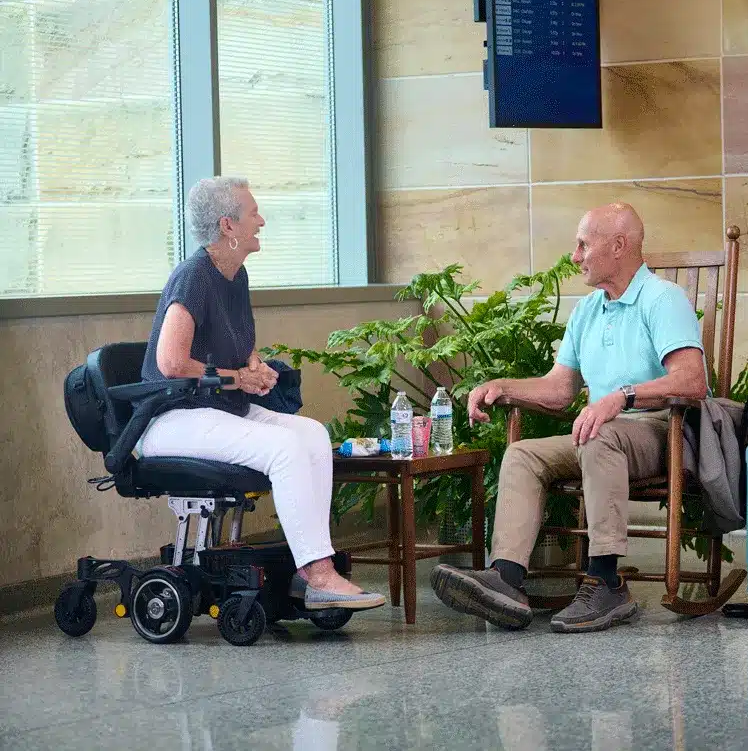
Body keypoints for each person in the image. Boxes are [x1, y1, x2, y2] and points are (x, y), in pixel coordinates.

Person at [431, 203, 708, 633]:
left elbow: (692, 381)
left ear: (618, 246)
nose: (574, 256)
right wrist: (502, 386)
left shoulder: (662, 299)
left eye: (583, 244)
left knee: (600, 436)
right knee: (524, 455)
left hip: (658, 432)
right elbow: (560, 390)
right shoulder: (588, 310)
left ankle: (606, 580)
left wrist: (622, 397)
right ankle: (506, 579)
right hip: (600, 433)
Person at [138, 176, 384, 612]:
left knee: (311, 434)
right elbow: (170, 363)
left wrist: (254, 365)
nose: (262, 221)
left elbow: (234, 340)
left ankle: (311, 570)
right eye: (254, 213)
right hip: (171, 417)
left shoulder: (235, 274)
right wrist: (237, 378)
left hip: (217, 410)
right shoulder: (193, 277)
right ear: (228, 225)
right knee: (285, 447)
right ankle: (320, 574)